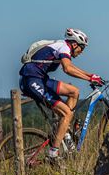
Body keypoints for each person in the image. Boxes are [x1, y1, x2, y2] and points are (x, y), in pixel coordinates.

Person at [19, 28, 103, 160]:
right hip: (32, 80)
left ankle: (65, 130)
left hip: (40, 78)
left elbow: (71, 66)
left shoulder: (62, 46)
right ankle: (53, 154)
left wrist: (90, 75)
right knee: (67, 113)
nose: (81, 52)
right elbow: (68, 69)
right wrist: (89, 79)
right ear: (75, 44)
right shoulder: (64, 48)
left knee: (74, 91)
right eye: (82, 48)